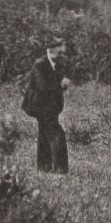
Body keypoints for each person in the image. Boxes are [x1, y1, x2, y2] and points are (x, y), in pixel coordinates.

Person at [20, 39, 70, 174]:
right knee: (57, 133)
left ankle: (44, 167)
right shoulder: (40, 65)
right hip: (39, 105)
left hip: (51, 106)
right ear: (50, 50)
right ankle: (61, 169)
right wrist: (61, 85)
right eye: (58, 51)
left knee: (44, 133)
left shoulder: (57, 65)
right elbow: (43, 87)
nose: (61, 54)